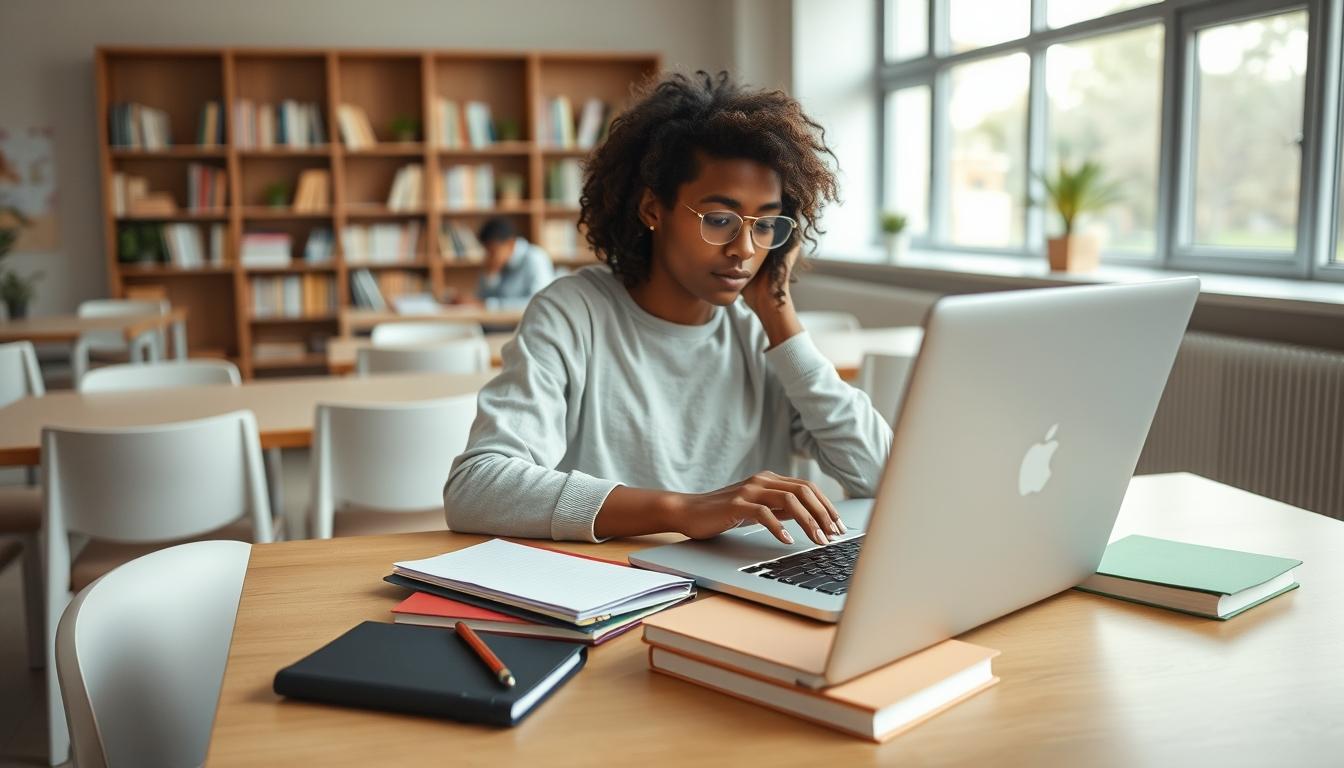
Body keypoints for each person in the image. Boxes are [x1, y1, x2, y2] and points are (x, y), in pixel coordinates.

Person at [443, 71, 891, 546]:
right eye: (719, 219)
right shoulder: (574, 314)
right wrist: (682, 510)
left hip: (742, 579)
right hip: (614, 581)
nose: (744, 248)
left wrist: (779, 312)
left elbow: (883, 475)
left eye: (765, 225)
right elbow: (477, 487)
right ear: (653, 210)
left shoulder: (762, 333)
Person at [466, 217, 554, 309]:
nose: (489, 256)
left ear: (510, 244)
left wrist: (488, 304)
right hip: (500, 318)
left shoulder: (535, 258)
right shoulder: (496, 263)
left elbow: (539, 303)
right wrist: (490, 275)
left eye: (493, 251)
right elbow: (481, 300)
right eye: (486, 251)